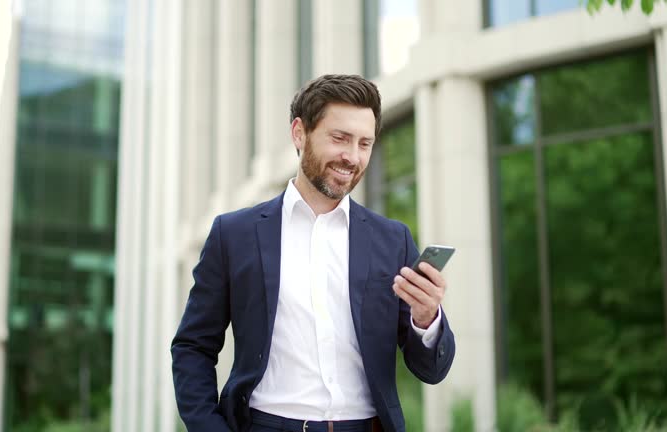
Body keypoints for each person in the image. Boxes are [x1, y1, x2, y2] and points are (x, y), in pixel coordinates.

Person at [171, 74, 455, 432]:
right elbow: (192, 347)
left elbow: (431, 369)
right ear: (299, 133)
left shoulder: (393, 239)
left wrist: (427, 319)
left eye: (364, 143)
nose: (352, 157)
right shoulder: (234, 234)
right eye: (340, 138)